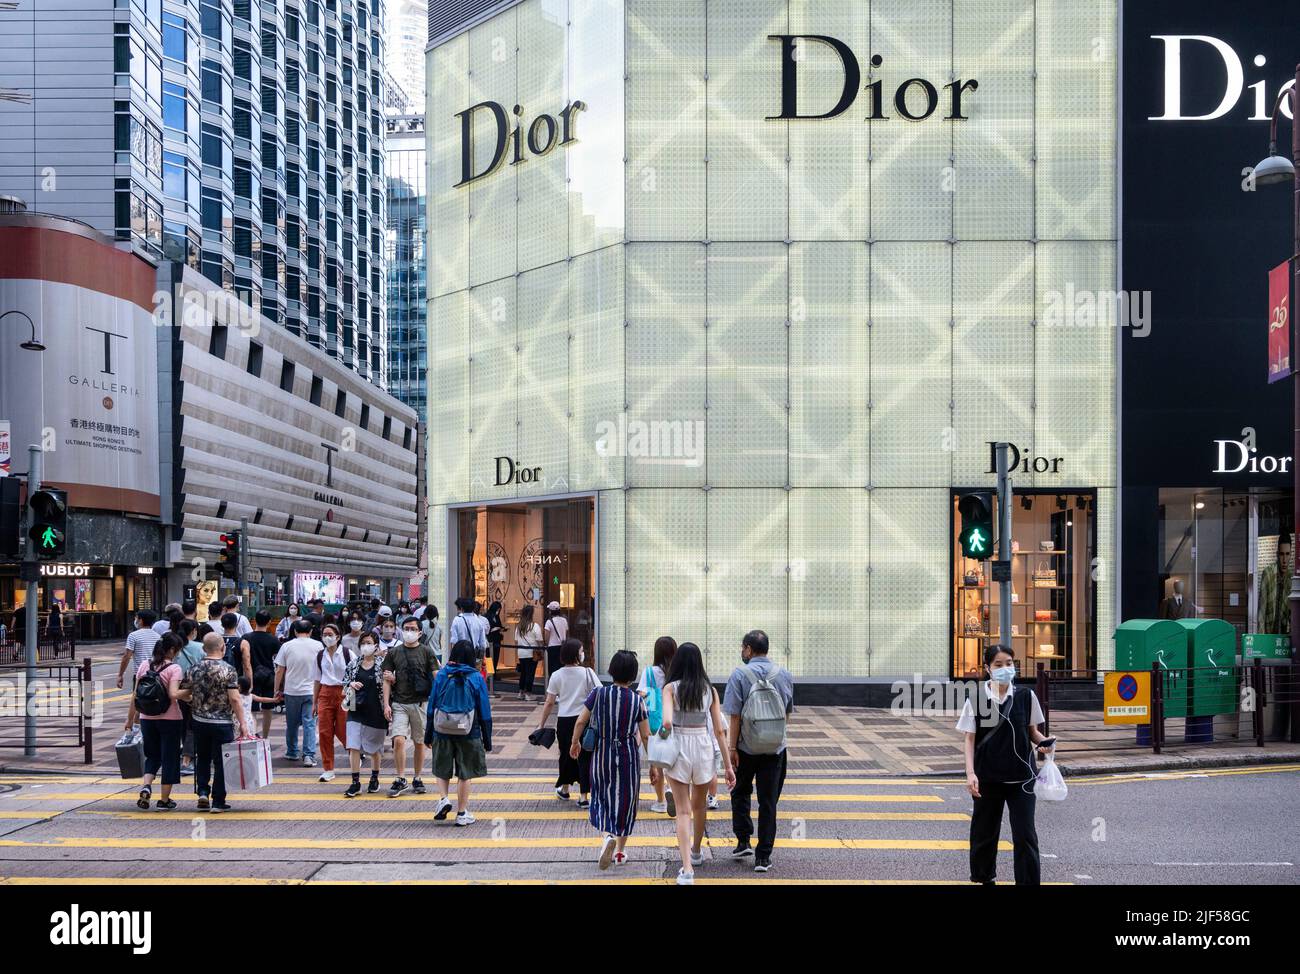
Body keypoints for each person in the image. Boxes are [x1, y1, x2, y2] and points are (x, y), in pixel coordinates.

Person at [957, 644, 1053, 886]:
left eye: (1009, 663)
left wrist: (1045, 743)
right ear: (987, 668)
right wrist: (970, 774)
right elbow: (969, 739)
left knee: (1025, 835)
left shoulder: (1025, 696)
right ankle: (984, 878)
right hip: (987, 778)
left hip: (1022, 779)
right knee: (984, 833)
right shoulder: (977, 698)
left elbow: (1033, 733)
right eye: (998, 665)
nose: (1005, 669)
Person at [660, 642, 735, 885]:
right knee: (699, 806)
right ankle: (696, 850)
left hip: (679, 748)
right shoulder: (710, 690)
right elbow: (720, 732)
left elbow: (667, 723)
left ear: (678, 662)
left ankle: (687, 869)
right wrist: (729, 767)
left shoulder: (670, 689)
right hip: (703, 746)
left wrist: (661, 737)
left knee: (682, 810)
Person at [722, 629, 795, 872]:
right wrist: (776, 739)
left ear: (749, 650)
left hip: (745, 746)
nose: (742, 652)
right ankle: (763, 857)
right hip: (775, 749)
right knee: (768, 801)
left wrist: (732, 748)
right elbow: (786, 713)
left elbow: (734, 716)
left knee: (740, 792)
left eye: (743, 648)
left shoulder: (739, 675)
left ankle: (743, 840)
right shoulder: (783, 674)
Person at [571, 650, 650, 870]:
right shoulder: (637, 700)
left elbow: (580, 721)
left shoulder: (598, 694)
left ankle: (607, 836)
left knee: (602, 796)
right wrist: (653, 764)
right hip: (628, 756)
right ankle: (620, 851)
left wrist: (574, 743)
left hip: (602, 754)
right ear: (633, 675)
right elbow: (645, 735)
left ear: (611, 670)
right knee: (626, 800)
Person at [178, 632, 251, 812]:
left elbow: (185, 693)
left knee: (202, 757)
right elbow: (234, 699)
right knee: (221, 761)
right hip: (222, 723)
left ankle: (202, 791)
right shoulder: (228, 670)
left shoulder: (194, 668)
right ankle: (218, 801)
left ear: (204, 649)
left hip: (198, 721)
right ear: (222, 647)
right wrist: (243, 722)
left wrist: (194, 702)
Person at [427, 640, 493, 826]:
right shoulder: (476, 678)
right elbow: (484, 710)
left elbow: (432, 704)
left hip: (442, 728)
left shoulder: (441, 675)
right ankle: (462, 813)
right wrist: (487, 738)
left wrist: (428, 733)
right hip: (469, 730)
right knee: (465, 773)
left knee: (442, 767)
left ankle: (443, 799)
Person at [535, 638, 599, 806]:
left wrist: (541, 725)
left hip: (564, 721)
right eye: (582, 651)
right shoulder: (588, 673)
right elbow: (599, 693)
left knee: (566, 754)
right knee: (585, 756)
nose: (583, 653)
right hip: (584, 719)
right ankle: (584, 796)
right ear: (577, 655)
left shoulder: (556, 675)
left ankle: (565, 789)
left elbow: (549, 702)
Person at [130, 631, 186, 811]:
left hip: (147, 718)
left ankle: (146, 786)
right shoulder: (174, 668)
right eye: (177, 650)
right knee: (169, 757)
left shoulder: (145, 664)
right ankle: (164, 799)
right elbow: (173, 694)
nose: (177, 653)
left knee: (152, 755)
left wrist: (130, 719)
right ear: (171, 650)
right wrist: (189, 692)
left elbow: (135, 694)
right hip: (170, 718)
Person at [382, 615, 438, 796]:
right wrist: (386, 704)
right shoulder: (394, 652)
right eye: (406, 629)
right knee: (398, 740)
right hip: (399, 703)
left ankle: (418, 776)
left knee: (419, 742)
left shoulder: (427, 652)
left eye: (413, 629)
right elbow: (386, 679)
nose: (409, 632)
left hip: (421, 703)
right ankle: (400, 778)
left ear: (420, 633)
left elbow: (437, 675)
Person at [343, 630, 387, 797]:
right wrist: (350, 684)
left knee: (375, 747)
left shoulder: (383, 664)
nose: (365, 646)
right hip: (356, 709)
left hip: (376, 710)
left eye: (369, 643)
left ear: (376, 645)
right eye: (363, 643)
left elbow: (390, 685)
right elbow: (344, 683)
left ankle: (374, 777)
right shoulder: (353, 664)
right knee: (353, 746)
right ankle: (355, 782)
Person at [274, 618, 323, 766]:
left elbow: (279, 670)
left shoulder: (287, 646)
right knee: (310, 723)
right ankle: (308, 755)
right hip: (311, 691)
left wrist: (277, 689)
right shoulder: (318, 645)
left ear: (295, 631)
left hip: (292, 691)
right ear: (311, 631)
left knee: (292, 723)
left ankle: (292, 751)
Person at [638, 636, 677, 814]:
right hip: (673, 720)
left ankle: (661, 801)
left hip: (653, 721)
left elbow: (641, 694)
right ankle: (674, 792)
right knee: (673, 761)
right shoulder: (677, 671)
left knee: (657, 761)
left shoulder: (649, 672)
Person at [313, 622, 351, 782]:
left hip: (343, 693)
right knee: (324, 732)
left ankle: (355, 751)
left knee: (343, 730)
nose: (327, 638)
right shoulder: (320, 655)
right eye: (324, 635)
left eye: (330, 634)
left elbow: (355, 675)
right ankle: (328, 768)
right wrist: (314, 702)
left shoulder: (347, 653)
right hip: (325, 693)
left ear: (338, 637)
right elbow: (316, 680)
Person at [117, 610, 162, 730]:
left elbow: (127, 656)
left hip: (139, 674)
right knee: (148, 699)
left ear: (140, 620)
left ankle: (130, 723)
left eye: (136, 618)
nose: (135, 620)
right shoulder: (158, 636)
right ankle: (140, 723)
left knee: (136, 698)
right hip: (155, 674)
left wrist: (120, 674)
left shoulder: (134, 635)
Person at [175, 619, 206, 776]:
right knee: (191, 725)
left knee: (181, 724)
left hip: (176, 690)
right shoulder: (200, 648)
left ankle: (182, 755)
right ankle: (187, 760)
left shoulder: (175, 648)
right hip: (195, 691)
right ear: (193, 630)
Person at [245, 610, 281, 739]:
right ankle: (265, 737)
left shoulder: (246, 637)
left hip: (251, 676)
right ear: (269, 622)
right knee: (268, 709)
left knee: (252, 709)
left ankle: (253, 734)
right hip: (269, 676)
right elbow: (278, 661)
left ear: (255, 620)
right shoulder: (274, 640)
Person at [513, 605, 543, 702]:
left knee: (523, 673)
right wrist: (541, 648)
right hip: (531, 653)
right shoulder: (534, 626)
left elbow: (516, 641)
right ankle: (528, 693)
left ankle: (521, 692)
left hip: (521, 652)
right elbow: (539, 640)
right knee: (530, 673)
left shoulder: (519, 626)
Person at [220, 612, 253, 685]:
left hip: (219, 679)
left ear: (222, 625)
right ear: (236, 624)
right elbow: (247, 666)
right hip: (236, 680)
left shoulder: (216, 640)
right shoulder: (243, 643)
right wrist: (250, 684)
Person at [543, 601, 568, 685]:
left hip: (552, 647)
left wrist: (545, 644)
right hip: (563, 647)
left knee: (553, 669)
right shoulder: (564, 620)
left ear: (550, 611)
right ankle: (562, 686)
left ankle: (554, 687)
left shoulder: (549, 622)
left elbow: (546, 637)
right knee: (562, 667)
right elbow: (567, 633)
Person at [485, 601, 504, 671]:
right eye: (498, 610)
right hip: (490, 639)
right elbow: (486, 629)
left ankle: (494, 672)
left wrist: (501, 628)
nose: (498, 611)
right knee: (489, 657)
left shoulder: (497, 617)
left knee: (496, 656)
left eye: (499, 610)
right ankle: (490, 673)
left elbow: (499, 625)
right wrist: (492, 629)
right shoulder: (487, 616)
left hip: (497, 639)